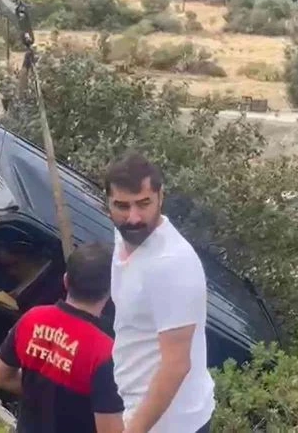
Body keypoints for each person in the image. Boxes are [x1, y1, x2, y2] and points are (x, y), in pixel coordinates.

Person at [103, 150, 215, 433]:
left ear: (160, 197)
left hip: (172, 424)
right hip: (136, 408)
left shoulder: (172, 264)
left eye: (144, 204)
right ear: (108, 202)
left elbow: (176, 365)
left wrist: (135, 429)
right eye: (122, 206)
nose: (133, 218)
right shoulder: (126, 236)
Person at [0, 242, 125, 433]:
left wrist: (41, 395)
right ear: (111, 292)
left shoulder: (32, 319)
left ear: (66, 281)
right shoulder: (105, 354)